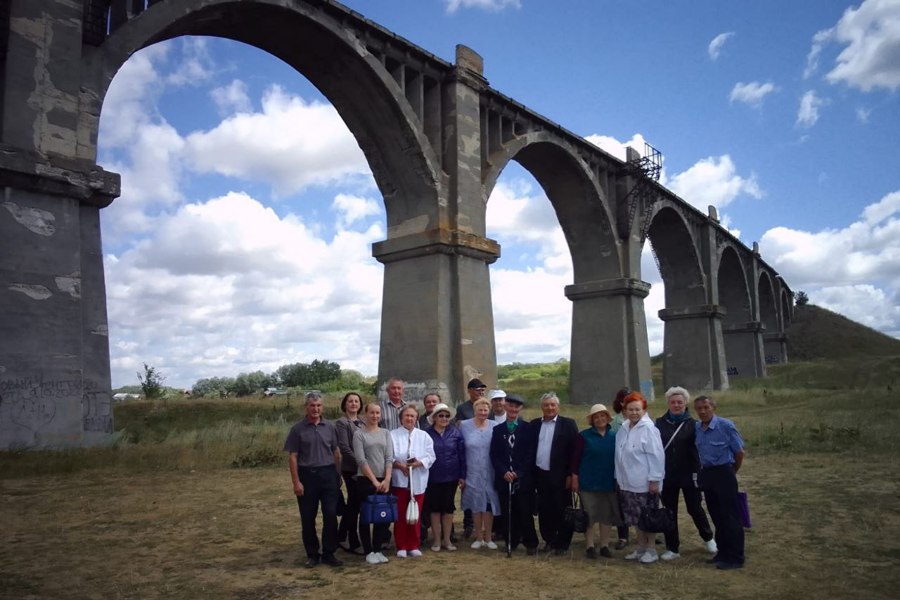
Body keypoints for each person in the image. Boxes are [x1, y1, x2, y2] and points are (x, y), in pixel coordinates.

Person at [283, 391, 344, 568]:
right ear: (306, 407)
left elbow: (336, 453)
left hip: (328, 475)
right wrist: (296, 482)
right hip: (307, 476)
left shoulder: (330, 427)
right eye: (312, 405)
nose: (316, 409)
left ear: (322, 407)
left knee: (331, 516)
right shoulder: (297, 429)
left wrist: (337, 476)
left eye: (318, 405)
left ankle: (329, 552)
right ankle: (312, 554)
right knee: (308, 518)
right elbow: (293, 456)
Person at [654, 386, 716, 561]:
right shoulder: (659, 423)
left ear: (685, 403)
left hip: (690, 473)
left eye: (679, 402)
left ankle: (708, 538)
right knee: (669, 510)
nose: (676, 405)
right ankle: (672, 547)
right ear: (668, 403)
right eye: (673, 402)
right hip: (667, 474)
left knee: (694, 507)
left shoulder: (694, 424)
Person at [694, 395, 746, 570]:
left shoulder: (725, 426)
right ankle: (722, 553)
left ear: (713, 408)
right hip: (707, 473)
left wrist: (731, 471)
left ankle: (736, 557)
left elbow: (739, 453)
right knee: (717, 516)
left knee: (731, 516)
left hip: (724, 472)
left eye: (706, 407)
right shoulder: (698, 428)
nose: (702, 411)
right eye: (699, 408)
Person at [614, 391, 666, 564]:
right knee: (635, 519)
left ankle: (651, 549)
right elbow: (619, 455)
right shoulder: (623, 427)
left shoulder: (650, 430)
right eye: (630, 409)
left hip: (645, 483)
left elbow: (657, 456)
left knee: (648, 517)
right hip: (627, 483)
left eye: (637, 409)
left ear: (644, 410)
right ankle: (640, 547)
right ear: (625, 410)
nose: (634, 412)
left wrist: (654, 480)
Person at [529, 392, 579, 555]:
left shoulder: (568, 424)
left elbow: (574, 453)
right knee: (544, 510)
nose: (549, 408)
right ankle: (549, 540)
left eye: (553, 405)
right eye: (546, 405)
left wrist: (572, 475)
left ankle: (563, 544)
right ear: (541, 407)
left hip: (561, 476)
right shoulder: (535, 424)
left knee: (563, 509)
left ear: (558, 406)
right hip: (540, 475)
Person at [571, 403, 623, 559]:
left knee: (606, 515)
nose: (600, 419)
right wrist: (575, 478)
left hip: (608, 481)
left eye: (602, 416)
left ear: (608, 418)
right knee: (590, 515)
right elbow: (575, 459)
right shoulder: (583, 436)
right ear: (592, 420)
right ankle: (590, 545)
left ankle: (605, 545)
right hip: (588, 482)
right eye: (596, 417)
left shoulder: (616, 435)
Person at [489, 394, 538, 555]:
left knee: (524, 510)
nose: (513, 409)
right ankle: (512, 540)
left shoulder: (528, 428)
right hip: (504, 478)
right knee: (508, 512)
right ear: (505, 407)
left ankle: (530, 541)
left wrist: (518, 472)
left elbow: (530, 454)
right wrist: (504, 471)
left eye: (516, 407)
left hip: (522, 478)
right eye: (510, 406)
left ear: (520, 409)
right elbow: (494, 455)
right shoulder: (497, 430)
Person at [390, 404, 436, 558]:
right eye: (406, 416)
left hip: (418, 481)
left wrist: (419, 463)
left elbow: (431, 456)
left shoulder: (424, 436)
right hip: (400, 481)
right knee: (402, 514)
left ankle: (413, 544)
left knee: (415, 514)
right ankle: (401, 545)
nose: (409, 418)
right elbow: (388, 456)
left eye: (412, 416)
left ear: (416, 418)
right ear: (401, 418)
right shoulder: (392, 435)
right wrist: (399, 465)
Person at [353, 402, 394, 565]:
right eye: (372, 413)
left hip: (384, 479)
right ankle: (368, 550)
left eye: (378, 413)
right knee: (366, 515)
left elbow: (389, 457)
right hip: (366, 480)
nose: (375, 416)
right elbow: (361, 460)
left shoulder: (385, 433)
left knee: (382, 516)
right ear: (366, 414)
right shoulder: (359, 434)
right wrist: (374, 481)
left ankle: (378, 549)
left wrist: (387, 479)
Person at [460, 398, 502, 549]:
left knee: (489, 504)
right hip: (472, 470)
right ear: (474, 410)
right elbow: (460, 448)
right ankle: (478, 537)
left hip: (490, 470)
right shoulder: (464, 426)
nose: (483, 413)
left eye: (485, 410)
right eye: (480, 410)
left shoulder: (495, 426)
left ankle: (489, 537)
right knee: (476, 504)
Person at [424, 403, 466, 551]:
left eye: (447, 416)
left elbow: (462, 455)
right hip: (432, 477)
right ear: (434, 417)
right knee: (434, 510)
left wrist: (462, 475)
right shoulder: (426, 433)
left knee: (448, 509)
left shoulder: (455, 433)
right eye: (441, 415)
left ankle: (447, 540)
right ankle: (436, 540)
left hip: (451, 477)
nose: (444, 418)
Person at [456, 377, 487, 538]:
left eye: (482, 389)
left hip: (485, 455)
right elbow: (461, 430)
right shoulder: (463, 408)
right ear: (469, 391)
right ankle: (468, 524)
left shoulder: (487, 407)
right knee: (468, 490)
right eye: (477, 389)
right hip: (469, 454)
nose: (480, 392)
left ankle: (486, 525)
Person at [335, 391, 365, 555]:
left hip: (363, 469)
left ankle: (341, 535)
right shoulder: (342, 423)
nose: (354, 403)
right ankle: (351, 540)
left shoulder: (362, 421)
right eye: (350, 401)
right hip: (351, 468)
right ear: (345, 404)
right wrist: (362, 463)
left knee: (356, 504)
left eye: (356, 401)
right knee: (354, 504)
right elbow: (345, 448)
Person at [610, 387, 631, 549]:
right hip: (621, 469)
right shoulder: (615, 421)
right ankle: (623, 536)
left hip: (638, 467)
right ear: (621, 402)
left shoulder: (643, 417)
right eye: (626, 399)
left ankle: (645, 530)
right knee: (621, 504)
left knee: (642, 503)